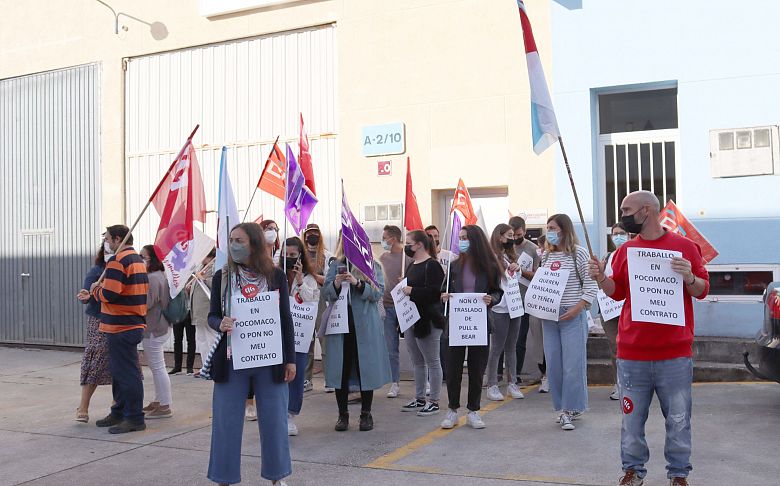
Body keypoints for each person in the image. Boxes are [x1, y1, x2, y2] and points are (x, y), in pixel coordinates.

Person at [589, 190, 709, 486]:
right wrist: (601, 278)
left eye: (626, 210)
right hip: (632, 353)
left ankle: (679, 475)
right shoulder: (625, 251)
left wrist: (689, 277)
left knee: (679, 420)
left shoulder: (685, 247)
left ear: (646, 211)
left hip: (674, 354)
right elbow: (617, 292)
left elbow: (703, 290)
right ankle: (633, 471)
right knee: (631, 420)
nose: (622, 216)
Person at [207, 222, 295, 486]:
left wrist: (290, 359)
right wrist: (219, 323)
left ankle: (277, 477)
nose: (233, 245)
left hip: (270, 360)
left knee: (274, 421)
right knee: (226, 423)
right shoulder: (222, 277)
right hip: (232, 361)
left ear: (254, 244)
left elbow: (285, 318)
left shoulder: (275, 276)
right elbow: (212, 315)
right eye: (231, 240)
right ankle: (224, 478)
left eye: (239, 241)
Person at [440, 225, 503, 430]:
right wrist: (444, 297)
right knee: (453, 368)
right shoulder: (454, 266)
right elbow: (444, 290)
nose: (461, 241)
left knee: (477, 369)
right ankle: (452, 410)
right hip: (456, 324)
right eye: (460, 238)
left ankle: (473, 411)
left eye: (465, 237)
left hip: (479, 324)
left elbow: (497, 292)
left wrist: (491, 299)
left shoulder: (490, 266)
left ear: (475, 240)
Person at [539, 214, 598, 431]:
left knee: (573, 365)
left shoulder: (579, 253)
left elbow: (591, 286)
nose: (549, 232)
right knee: (554, 364)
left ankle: (569, 409)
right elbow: (543, 284)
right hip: (550, 317)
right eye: (548, 228)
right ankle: (562, 406)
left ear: (564, 230)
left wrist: (577, 308)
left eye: (553, 228)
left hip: (572, 316)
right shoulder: (546, 255)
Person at [322, 250, 391, 432]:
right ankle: (342, 414)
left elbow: (378, 293)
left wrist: (358, 283)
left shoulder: (372, 266)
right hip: (341, 326)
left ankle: (366, 413)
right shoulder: (336, 265)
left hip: (365, 325)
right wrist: (336, 283)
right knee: (341, 370)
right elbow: (326, 293)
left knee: (365, 369)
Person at [90, 225, 149, 434]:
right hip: (130, 322)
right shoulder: (137, 260)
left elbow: (110, 294)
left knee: (126, 374)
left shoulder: (117, 261)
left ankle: (134, 417)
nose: (105, 242)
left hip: (121, 325)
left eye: (107, 239)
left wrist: (95, 290)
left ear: (117, 239)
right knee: (120, 372)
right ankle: (119, 411)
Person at [399, 230, 445, 416]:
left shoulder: (432, 265)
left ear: (419, 245)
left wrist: (412, 290)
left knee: (432, 361)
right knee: (417, 361)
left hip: (428, 319)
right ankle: (419, 397)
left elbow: (435, 293)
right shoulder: (412, 265)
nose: (406, 246)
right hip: (411, 318)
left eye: (409, 243)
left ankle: (434, 400)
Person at [281, 236, 320, 436]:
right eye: (286, 254)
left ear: (300, 256)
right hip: (277, 332)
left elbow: (311, 299)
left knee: (295, 374)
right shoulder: (275, 274)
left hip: (299, 334)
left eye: (293, 254)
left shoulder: (309, 278)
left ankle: (290, 414)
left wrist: (299, 281)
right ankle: (277, 412)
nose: (289, 257)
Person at [484, 224, 525, 402]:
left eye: (513, 235)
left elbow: (514, 278)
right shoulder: (491, 257)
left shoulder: (509, 256)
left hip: (514, 306)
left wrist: (517, 268)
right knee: (497, 348)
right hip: (500, 308)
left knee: (511, 347)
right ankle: (492, 384)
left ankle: (512, 383)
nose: (512, 238)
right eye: (509, 235)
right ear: (499, 237)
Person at [74, 243, 113, 423]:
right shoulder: (97, 270)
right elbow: (86, 295)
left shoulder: (125, 268)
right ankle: (83, 407)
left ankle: (116, 406)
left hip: (119, 320)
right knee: (95, 361)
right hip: (99, 320)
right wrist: (87, 295)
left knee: (119, 363)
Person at [139, 245, 173, 419]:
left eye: (143, 256)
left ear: (151, 259)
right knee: (156, 366)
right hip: (159, 326)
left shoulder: (152, 278)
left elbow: (145, 304)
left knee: (158, 367)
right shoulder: (160, 275)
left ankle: (165, 405)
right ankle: (159, 400)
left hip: (154, 327)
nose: (140, 259)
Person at [508, 216, 541, 386]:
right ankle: (501, 373)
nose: (515, 238)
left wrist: (520, 271)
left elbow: (537, 275)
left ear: (525, 231)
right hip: (507, 298)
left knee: (519, 339)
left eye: (518, 235)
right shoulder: (505, 247)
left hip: (525, 299)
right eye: (512, 235)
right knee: (505, 339)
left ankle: (516, 373)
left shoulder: (533, 249)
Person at [302, 223, 335, 392]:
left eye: (315, 233)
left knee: (325, 340)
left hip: (321, 298)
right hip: (304, 299)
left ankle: (330, 379)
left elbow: (329, 280)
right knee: (306, 341)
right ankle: (306, 379)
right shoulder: (300, 255)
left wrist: (313, 274)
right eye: (309, 234)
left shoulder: (327, 255)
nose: (312, 236)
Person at [601, 222, 630, 401]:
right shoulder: (608, 257)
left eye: (622, 233)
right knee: (615, 348)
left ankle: (632, 383)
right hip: (609, 310)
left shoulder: (634, 254)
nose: (618, 237)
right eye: (615, 234)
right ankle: (618, 383)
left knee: (630, 347)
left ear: (629, 235)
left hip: (628, 309)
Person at [379, 224, 404, 398]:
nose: (382, 241)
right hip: (387, 307)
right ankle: (395, 382)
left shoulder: (407, 258)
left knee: (414, 346)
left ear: (393, 239)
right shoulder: (383, 258)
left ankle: (424, 380)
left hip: (404, 306)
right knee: (391, 348)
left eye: (384, 238)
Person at [190, 248, 218, 378]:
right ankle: (205, 366)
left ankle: (214, 366)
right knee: (201, 340)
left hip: (207, 308)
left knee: (211, 339)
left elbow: (217, 284)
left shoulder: (215, 265)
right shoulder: (202, 266)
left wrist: (204, 279)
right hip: (198, 310)